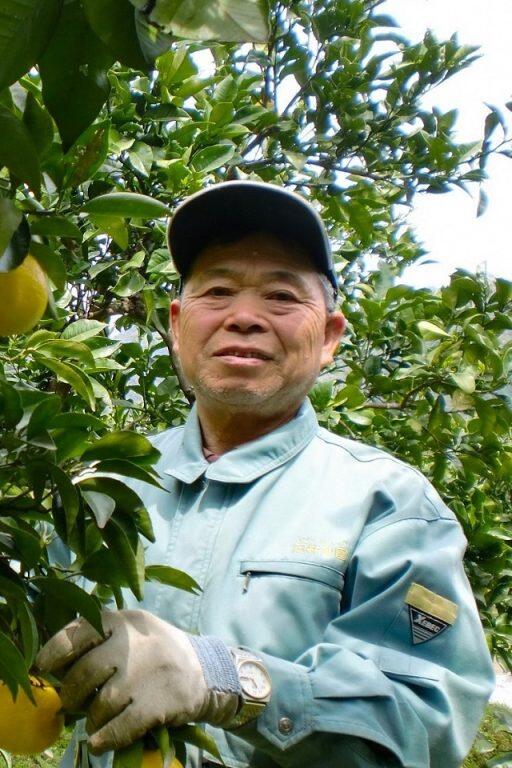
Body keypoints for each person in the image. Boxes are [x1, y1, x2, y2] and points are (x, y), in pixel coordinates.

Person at [35, 181, 495, 768]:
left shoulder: (390, 507)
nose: (244, 317)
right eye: (218, 291)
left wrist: (231, 682)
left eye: (281, 296)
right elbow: (21, 614)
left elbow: (425, 721)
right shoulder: (108, 479)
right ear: (177, 324)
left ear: (329, 337)